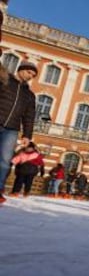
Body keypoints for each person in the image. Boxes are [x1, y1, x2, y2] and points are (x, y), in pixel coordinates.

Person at [0, 61, 38, 203]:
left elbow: (29, 116)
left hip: (12, 129)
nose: (30, 76)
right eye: (29, 72)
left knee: (4, 161)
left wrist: (27, 135)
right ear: (21, 69)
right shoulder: (4, 80)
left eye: (33, 75)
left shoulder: (29, 95)